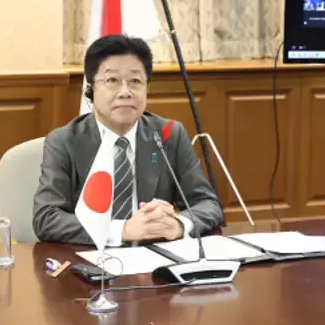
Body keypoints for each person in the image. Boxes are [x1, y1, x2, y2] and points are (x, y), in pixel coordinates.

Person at [33, 34, 224, 245]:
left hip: (154, 259)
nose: (125, 92)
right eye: (112, 81)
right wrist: (121, 230)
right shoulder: (64, 141)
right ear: (90, 89)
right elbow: (46, 218)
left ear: (147, 88)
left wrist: (178, 224)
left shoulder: (169, 135)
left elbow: (208, 204)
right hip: (90, 259)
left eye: (135, 81)